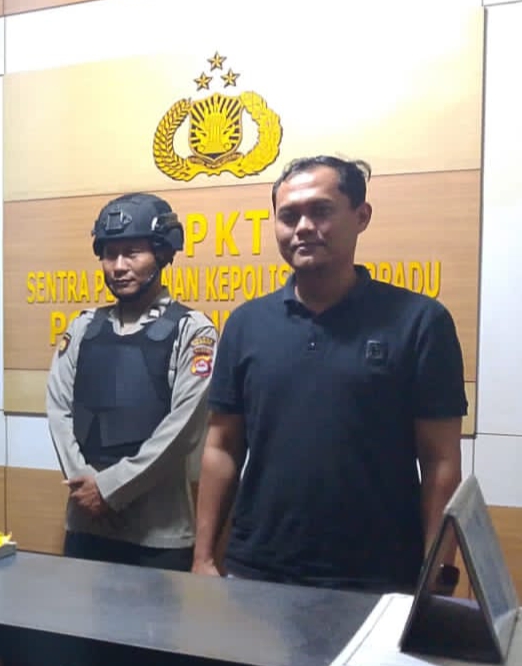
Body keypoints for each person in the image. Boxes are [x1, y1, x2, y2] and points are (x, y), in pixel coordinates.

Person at [193, 156, 466, 594]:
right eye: (289, 216)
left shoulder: (420, 322)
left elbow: (441, 461)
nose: (303, 227)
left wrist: (435, 573)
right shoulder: (245, 324)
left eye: (320, 211)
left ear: (361, 216)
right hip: (257, 573)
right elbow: (222, 446)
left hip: (379, 577)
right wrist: (203, 557)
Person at [45, 193, 217, 571]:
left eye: (132, 253)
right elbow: (58, 408)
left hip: (158, 536)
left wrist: (108, 489)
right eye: (110, 254)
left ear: (162, 253)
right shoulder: (83, 327)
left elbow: (183, 429)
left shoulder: (192, 330)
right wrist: (84, 483)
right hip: (86, 526)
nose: (119, 266)